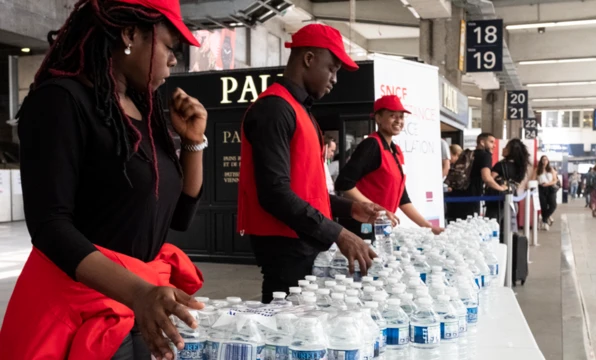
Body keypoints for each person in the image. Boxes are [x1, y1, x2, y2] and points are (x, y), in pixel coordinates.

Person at [0, 1, 207, 359]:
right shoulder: (60, 101)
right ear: (129, 35)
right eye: (169, 45)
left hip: (140, 305)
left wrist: (193, 143)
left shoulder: (146, 111)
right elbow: (50, 226)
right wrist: (139, 292)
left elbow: (179, 218)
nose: (175, 59)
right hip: (81, 310)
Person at [238, 24, 385, 304]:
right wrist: (338, 233)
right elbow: (274, 193)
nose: (335, 79)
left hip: (303, 246)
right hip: (286, 251)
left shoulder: (299, 110)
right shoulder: (274, 109)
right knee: (288, 334)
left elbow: (308, 192)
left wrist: (351, 208)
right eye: (332, 69)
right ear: (308, 59)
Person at [335, 95, 444, 237]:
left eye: (401, 116)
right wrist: (378, 210)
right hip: (362, 226)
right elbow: (344, 183)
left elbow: (402, 198)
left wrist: (429, 227)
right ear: (378, 118)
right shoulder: (372, 145)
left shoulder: (396, 151)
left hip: (382, 226)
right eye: (392, 116)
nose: (398, 120)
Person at [446, 133, 507, 222]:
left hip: (455, 197)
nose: (494, 145)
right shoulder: (485, 155)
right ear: (482, 142)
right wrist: (501, 189)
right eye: (491, 142)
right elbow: (486, 177)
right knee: (469, 229)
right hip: (470, 199)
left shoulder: (469, 154)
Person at [485, 139, 531, 229]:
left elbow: (489, 179)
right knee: (508, 229)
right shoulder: (521, 167)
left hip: (497, 202)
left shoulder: (500, 165)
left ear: (510, 151)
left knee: (492, 227)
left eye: (506, 147)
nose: (503, 149)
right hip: (513, 200)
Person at [537, 155, 559, 231]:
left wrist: (548, 184)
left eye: (546, 159)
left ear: (548, 161)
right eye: (543, 159)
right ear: (541, 161)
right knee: (543, 206)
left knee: (553, 205)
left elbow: (555, 180)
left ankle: (544, 218)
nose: (544, 161)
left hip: (550, 188)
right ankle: (545, 223)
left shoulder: (551, 169)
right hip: (541, 188)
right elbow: (533, 178)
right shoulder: (537, 169)